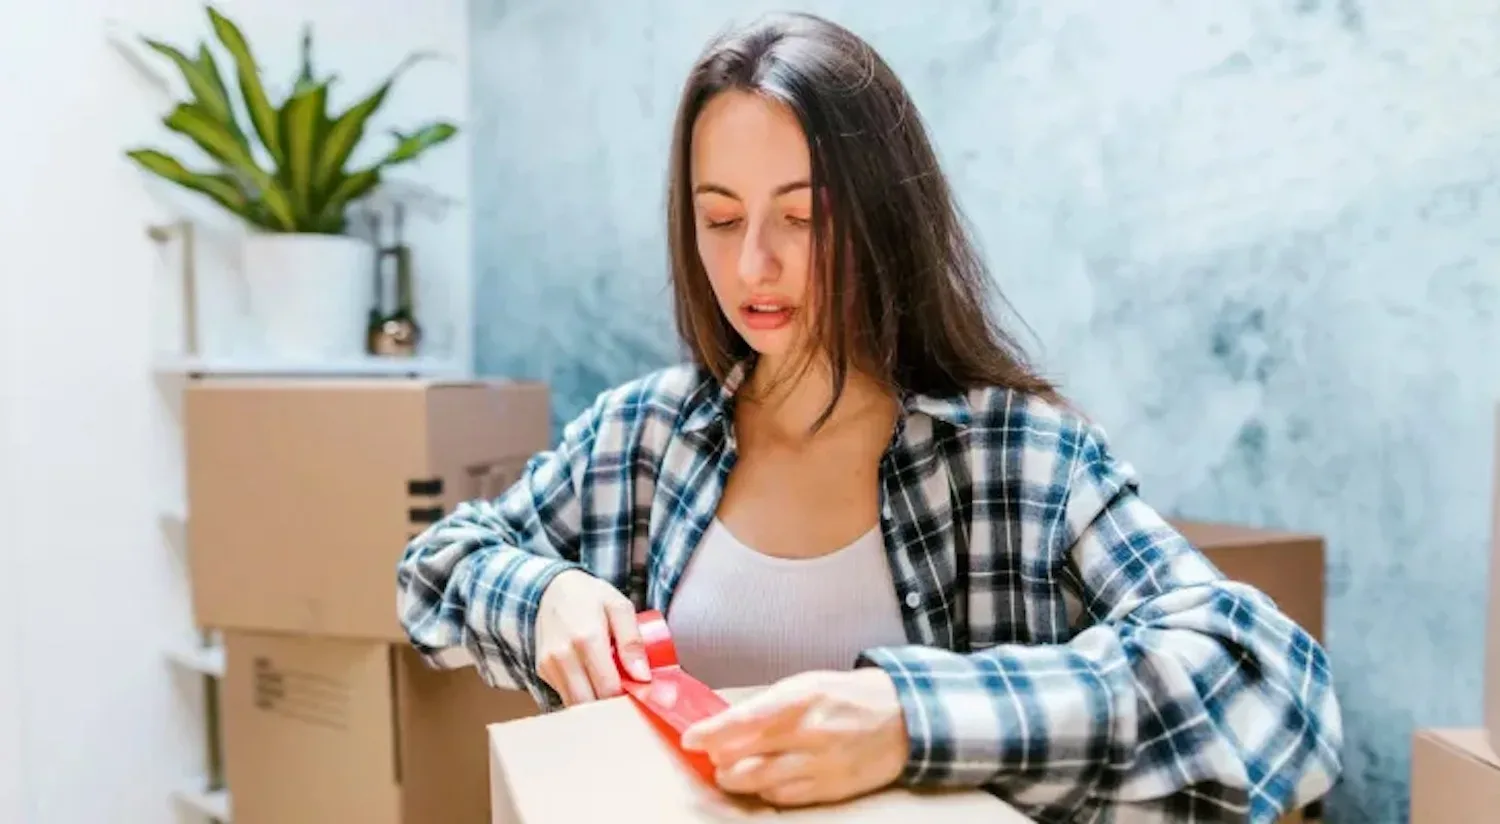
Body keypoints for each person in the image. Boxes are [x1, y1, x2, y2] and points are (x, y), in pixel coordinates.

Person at [396, 11, 1342, 822]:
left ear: (884, 219)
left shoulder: (1013, 457)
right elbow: (437, 571)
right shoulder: (641, 437)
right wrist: (546, 596)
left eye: (800, 219)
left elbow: (1272, 688)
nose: (753, 266)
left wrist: (907, 719)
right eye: (720, 220)